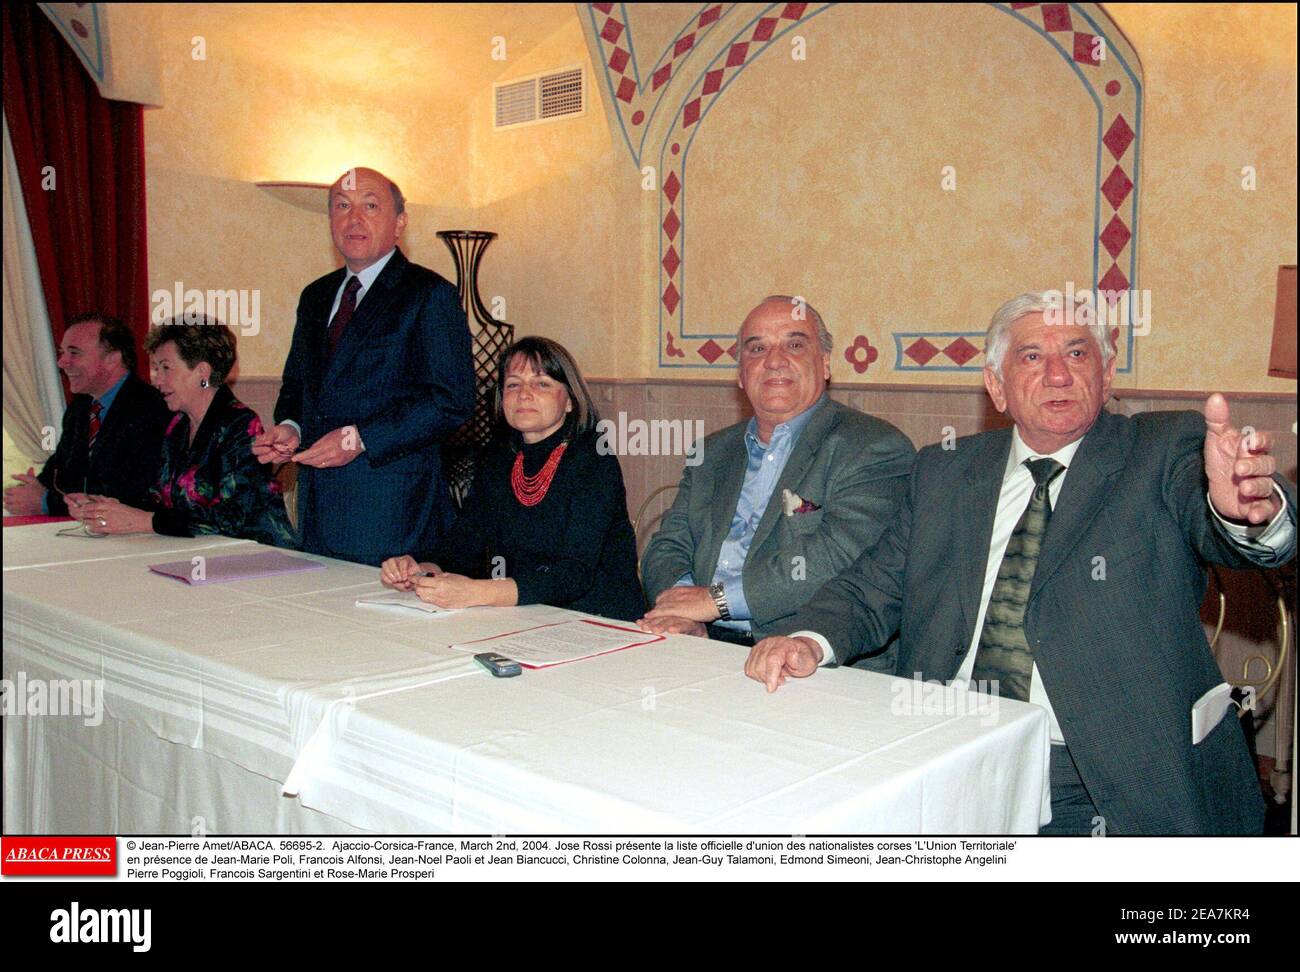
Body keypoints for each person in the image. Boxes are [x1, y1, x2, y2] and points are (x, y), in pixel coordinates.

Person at [745, 291, 1297, 835]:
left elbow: (1222, 519)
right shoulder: (943, 469)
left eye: (1078, 354)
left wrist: (1250, 511)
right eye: (1032, 356)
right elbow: (874, 584)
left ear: (1106, 375)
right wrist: (809, 639)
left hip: (1100, 770)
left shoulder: (1161, 448)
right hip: (950, 747)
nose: (1058, 374)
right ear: (996, 386)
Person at [638, 296, 915, 651]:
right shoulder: (711, 452)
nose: (774, 361)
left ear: (826, 364)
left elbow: (838, 558)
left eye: (795, 344)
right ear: (740, 374)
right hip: (697, 641)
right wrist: (681, 609)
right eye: (757, 349)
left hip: (807, 654)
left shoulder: (873, 447)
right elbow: (669, 544)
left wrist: (715, 602)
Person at [252, 166, 474, 565]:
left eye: (370, 206)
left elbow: (451, 401)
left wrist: (359, 438)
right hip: (318, 512)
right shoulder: (316, 295)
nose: (354, 219)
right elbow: (297, 385)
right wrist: (290, 428)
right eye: (342, 206)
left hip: (392, 516)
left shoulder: (429, 295)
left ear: (399, 223)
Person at [379, 337, 643, 621]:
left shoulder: (593, 460)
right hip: (524, 614)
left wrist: (476, 592)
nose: (524, 394)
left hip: (598, 619)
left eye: (542, 383)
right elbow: (463, 546)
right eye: (513, 384)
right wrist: (420, 570)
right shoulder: (498, 457)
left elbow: (572, 574)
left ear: (570, 400)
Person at [76, 318, 297, 547]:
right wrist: (112, 507)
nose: (156, 380)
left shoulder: (241, 425)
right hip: (200, 554)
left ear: (202, 372)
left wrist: (145, 521)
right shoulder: (177, 425)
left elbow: (235, 518)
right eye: (155, 369)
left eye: (165, 368)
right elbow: (159, 498)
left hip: (259, 560)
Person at [4, 313, 169, 518]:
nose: (62, 362)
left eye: (74, 353)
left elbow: (128, 494)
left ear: (112, 359)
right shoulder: (81, 408)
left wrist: (46, 502)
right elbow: (62, 468)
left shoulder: (151, 409)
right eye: (62, 352)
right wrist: (37, 485)